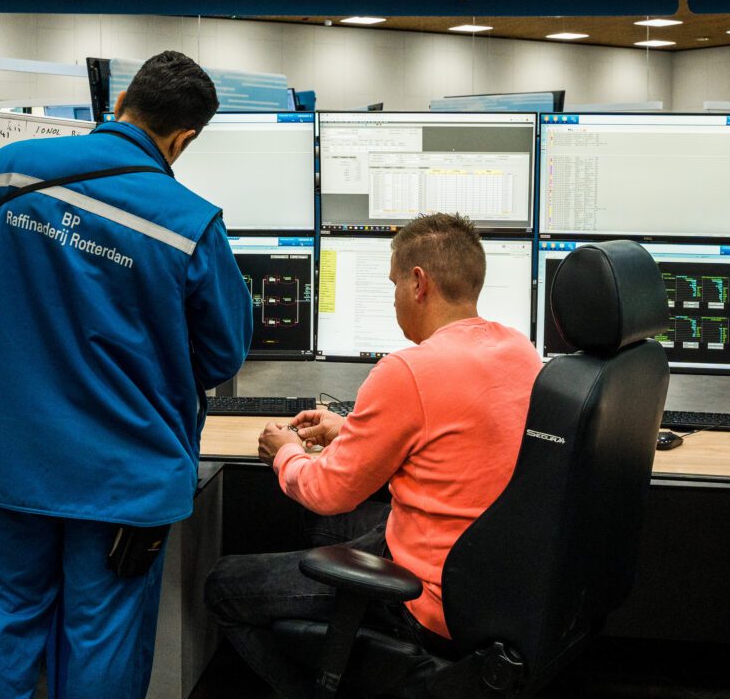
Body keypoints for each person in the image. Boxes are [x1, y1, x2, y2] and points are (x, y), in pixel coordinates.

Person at [0, 50, 253, 698]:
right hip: (119, 477)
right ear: (184, 138)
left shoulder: (9, 173)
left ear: (119, 105)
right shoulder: (191, 225)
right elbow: (222, 356)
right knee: (101, 643)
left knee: (0, 629)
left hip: (3, 455)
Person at [205, 213, 541, 699]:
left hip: (426, 593)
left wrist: (286, 453)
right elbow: (455, 437)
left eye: (394, 285)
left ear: (419, 283)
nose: (394, 299)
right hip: (486, 573)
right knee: (331, 534)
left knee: (223, 585)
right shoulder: (518, 351)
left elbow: (325, 492)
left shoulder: (409, 368)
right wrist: (350, 429)